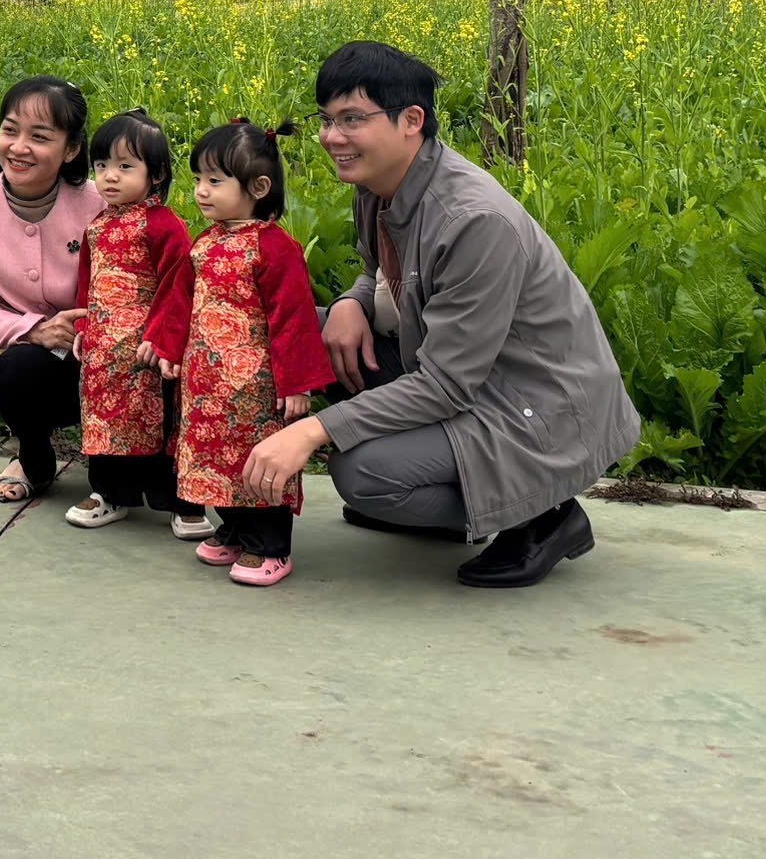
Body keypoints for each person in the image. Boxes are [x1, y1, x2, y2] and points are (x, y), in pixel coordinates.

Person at [239, 41, 641, 589]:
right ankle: (465, 500)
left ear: (412, 121)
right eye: (326, 120)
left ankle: (542, 516)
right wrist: (355, 301)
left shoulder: (473, 221)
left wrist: (313, 430)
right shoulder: (379, 186)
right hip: (469, 375)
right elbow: (380, 267)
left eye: (352, 119)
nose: (332, 137)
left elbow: (447, 385)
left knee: (364, 476)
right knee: (302, 335)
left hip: (535, 407)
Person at [165, 120, 332, 587]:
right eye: (197, 178)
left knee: (259, 460)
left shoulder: (275, 248)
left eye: (215, 181)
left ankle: (270, 545)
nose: (201, 190)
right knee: (217, 459)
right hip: (208, 385)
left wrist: (297, 385)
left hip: (258, 389)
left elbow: (294, 320)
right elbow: (179, 301)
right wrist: (168, 346)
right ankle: (234, 530)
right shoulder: (205, 243)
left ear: (258, 187)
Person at [0, 77, 105, 505]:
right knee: (14, 372)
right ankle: (34, 456)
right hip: (39, 362)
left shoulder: (100, 202)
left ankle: (128, 459)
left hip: (108, 351)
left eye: (40, 136)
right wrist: (34, 330)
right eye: (10, 130)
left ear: (71, 149)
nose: (18, 147)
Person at [60, 109, 197, 531]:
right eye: (101, 167)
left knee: (157, 422)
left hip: (148, 347)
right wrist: (82, 328)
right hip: (103, 350)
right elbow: (85, 282)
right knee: (103, 420)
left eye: (124, 166)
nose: (110, 177)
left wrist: (163, 338)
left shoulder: (163, 225)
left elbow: (180, 285)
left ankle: (179, 503)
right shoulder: (98, 227)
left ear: (155, 175)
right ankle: (109, 492)